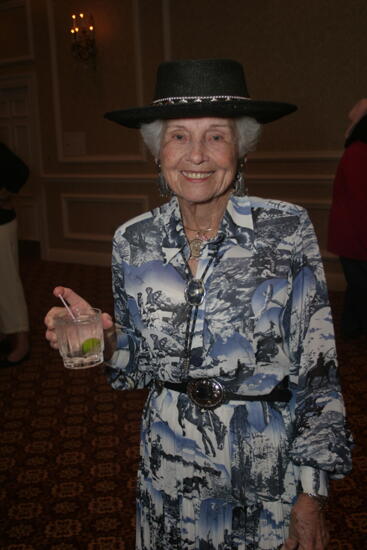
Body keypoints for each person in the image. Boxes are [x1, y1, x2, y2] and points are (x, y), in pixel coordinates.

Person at [45, 59, 352, 550]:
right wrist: (104, 338)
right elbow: (137, 368)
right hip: (168, 469)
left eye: (216, 136)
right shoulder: (133, 240)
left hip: (264, 470)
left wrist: (311, 494)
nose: (197, 155)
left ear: (242, 148)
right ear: (157, 151)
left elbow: (318, 372)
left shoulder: (285, 230)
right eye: (179, 137)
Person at [328, 98, 367, 339]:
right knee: (362, 290)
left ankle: (350, 332)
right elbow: (361, 202)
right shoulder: (359, 153)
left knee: (357, 289)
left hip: (354, 236)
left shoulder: (358, 151)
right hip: (356, 237)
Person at [0, 142, 30, 367]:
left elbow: (20, 171)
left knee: (7, 283)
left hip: (1, 222)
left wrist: (5, 193)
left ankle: (21, 340)